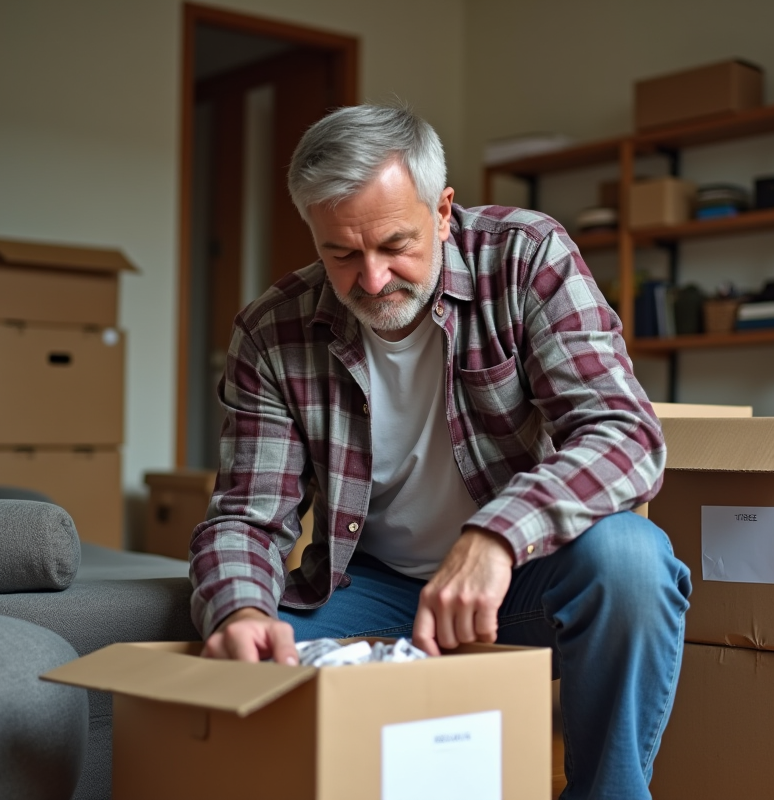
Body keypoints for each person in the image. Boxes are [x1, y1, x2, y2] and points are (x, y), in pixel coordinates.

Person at [190, 103, 691, 799]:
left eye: (394, 244)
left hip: (523, 579)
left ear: (444, 210)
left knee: (631, 560)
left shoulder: (527, 257)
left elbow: (624, 434)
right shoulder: (272, 332)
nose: (372, 280)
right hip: (371, 593)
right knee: (235, 643)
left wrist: (496, 535)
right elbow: (247, 516)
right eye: (342, 254)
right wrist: (241, 611)